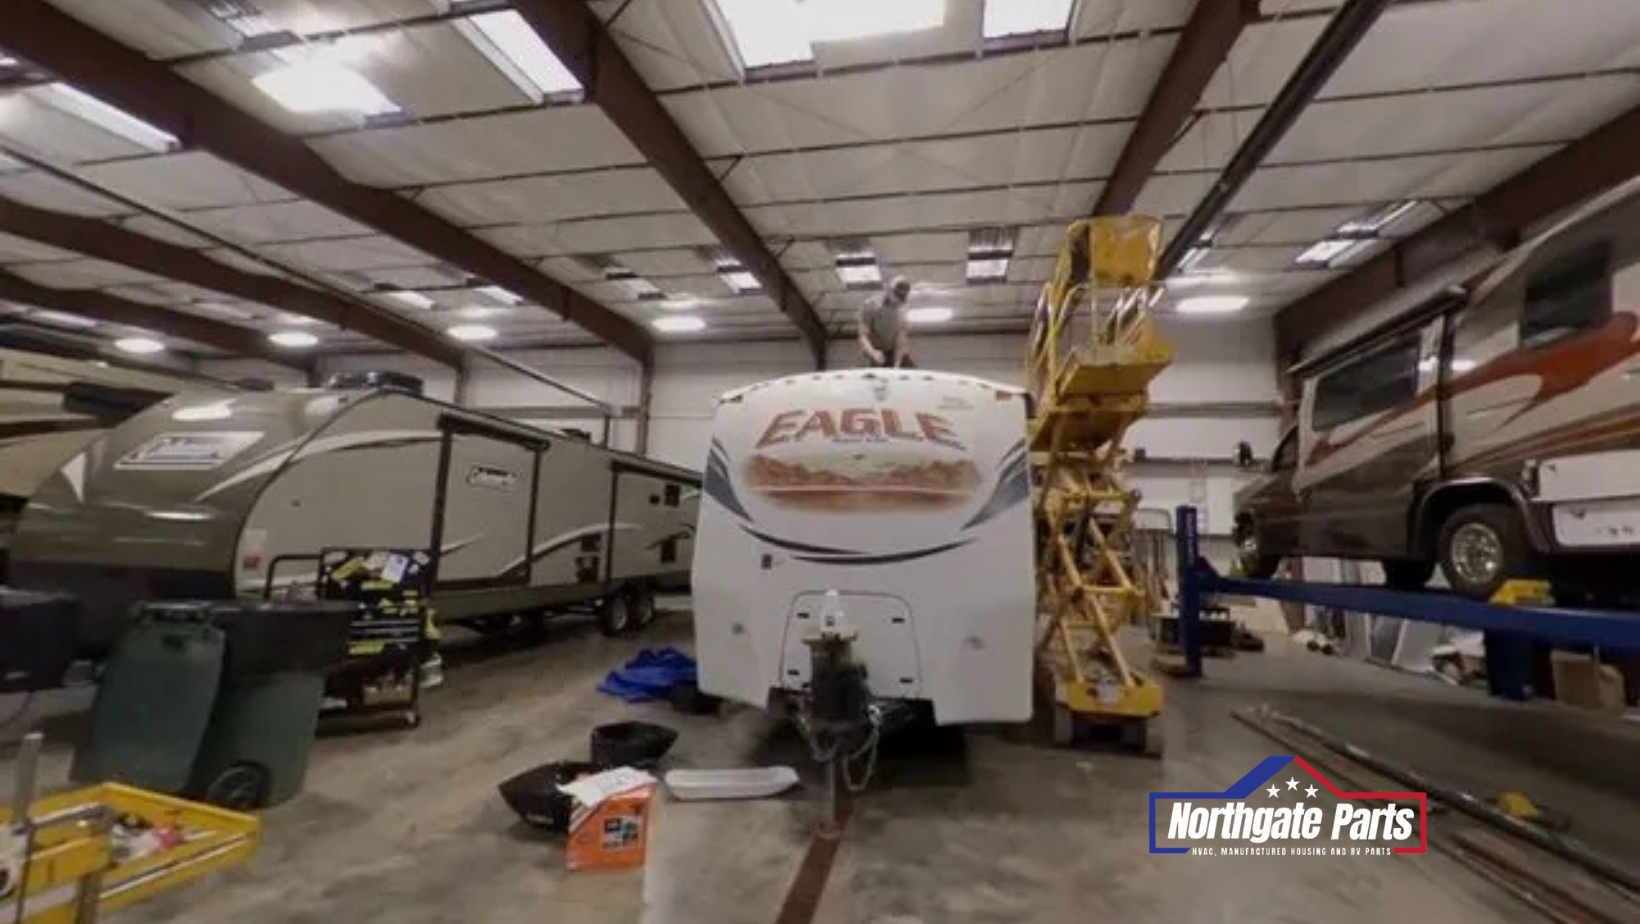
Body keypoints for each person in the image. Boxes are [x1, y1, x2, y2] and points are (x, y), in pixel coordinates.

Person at [857, 275, 916, 368]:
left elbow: (900, 338)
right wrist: (873, 352)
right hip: (875, 350)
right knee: (873, 376)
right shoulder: (871, 306)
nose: (898, 301)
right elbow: (863, 336)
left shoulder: (903, 308)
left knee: (910, 372)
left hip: (894, 351)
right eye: (896, 296)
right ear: (888, 290)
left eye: (901, 298)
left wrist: (897, 363)